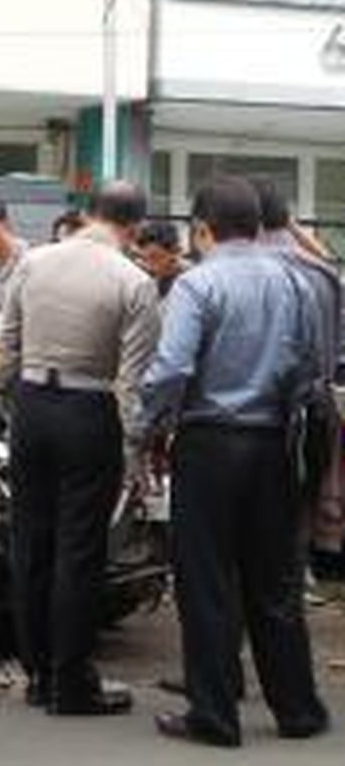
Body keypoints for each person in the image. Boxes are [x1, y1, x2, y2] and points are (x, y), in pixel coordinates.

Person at [142, 177, 331, 748]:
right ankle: (298, 710)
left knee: (206, 583)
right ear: (257, 225)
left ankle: (215, 716)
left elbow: (172, 369)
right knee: (273, 582)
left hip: (207, 444)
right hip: (274, 443)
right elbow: (312, 364)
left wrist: (148, 423)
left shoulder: (197, 285)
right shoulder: (297, 281)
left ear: (202, 228)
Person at [0, 181, 161, 717]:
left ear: (88, 213)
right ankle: (72, 680)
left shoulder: (34, 262)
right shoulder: (134, 281)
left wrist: (10, 403)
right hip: (89, 414)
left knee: (31, 543)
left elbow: (8, 345)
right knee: (80, 550)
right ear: (135, 227)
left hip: (32, 406)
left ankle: (38, 673)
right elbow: (133, 384)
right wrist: (135, 453)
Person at [254, 180, 345, 563]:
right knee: (295, 527)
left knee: (247, 533)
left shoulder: (242, 271)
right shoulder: (324, 274)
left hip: (254, 420)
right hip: (315, 415)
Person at [135, 220, 188, 299]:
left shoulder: (190, 280)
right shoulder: (139, 275)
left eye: (155, 257)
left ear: (174, 252)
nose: (149, 265)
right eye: (144, 259)